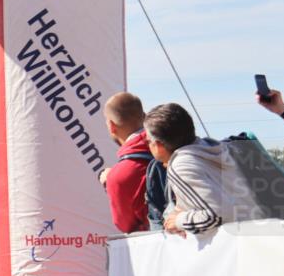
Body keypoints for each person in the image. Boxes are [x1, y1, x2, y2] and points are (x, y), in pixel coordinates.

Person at [144, 103, 266, 236]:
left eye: (148, 141)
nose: (148, 145)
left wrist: (178, 221)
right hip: (257, 233)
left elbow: (216, 215)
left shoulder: (181, 165)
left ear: (158, 145)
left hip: (236, 245)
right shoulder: (213, 149)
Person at [98, 92, 164, 232]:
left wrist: (109, 181)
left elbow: (126, 226)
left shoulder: (119, 175)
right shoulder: (172, 145)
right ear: (144, 117)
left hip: (160, 248)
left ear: (111, 126)